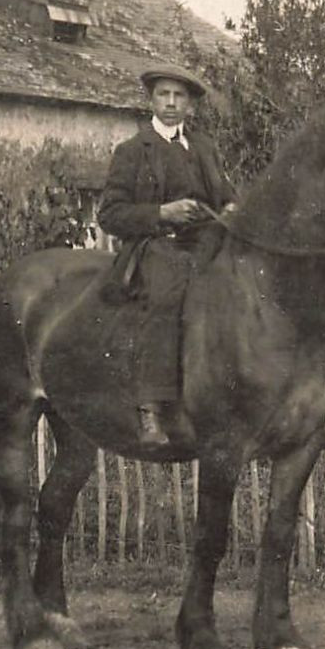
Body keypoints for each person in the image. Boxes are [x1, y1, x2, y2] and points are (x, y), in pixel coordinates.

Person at [98, 64, 237, 447]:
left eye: (179, 96)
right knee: (166, 296)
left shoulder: (205, 147)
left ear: (190, 104)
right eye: (164, 95)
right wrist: (162, 213)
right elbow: (110, 215)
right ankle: (151, 407)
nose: (171, 103)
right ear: (151, 100)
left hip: (209, 244)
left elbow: (226, 196)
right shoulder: (132, 152)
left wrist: (230, 211)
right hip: (159, 244)